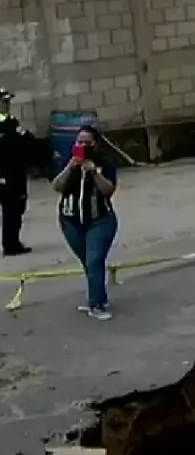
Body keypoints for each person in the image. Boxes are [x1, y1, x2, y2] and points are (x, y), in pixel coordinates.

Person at [51, 125, 118, 319]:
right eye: (79, 142)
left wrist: (94, 172)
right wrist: (71, 167)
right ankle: (100, 297)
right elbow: (57, 186)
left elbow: (108, 190)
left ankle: (96, 305)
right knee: (89, 263)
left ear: (96, 144)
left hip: (100, 220)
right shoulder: (68, 161)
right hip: (71, 221)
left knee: (94, 259)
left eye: (87, 142)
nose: (82, 146)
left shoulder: (105, 163)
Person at [0, 89, 37, 256]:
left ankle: (12, 242)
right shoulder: (5, 125)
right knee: (12, 207)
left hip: (14, 171)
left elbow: (25, 141)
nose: (6, 105)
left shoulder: (10, 121)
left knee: (15, 208)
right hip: (5, 172)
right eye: (3, 102)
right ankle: (10, 244)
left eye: (7, 102)